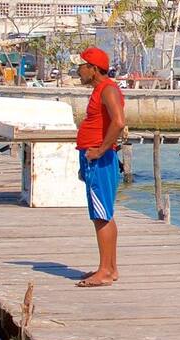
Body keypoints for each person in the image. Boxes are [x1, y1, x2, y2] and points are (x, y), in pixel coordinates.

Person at [74, 47, 127, 287]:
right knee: (103, 213)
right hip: (93, 159)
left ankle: (106, 271)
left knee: (101, 214)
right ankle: (109, 267)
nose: (78, 70)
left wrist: (100, 150)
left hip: (100, 159)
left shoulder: (108, 89)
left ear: (93, 69)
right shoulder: (99, 89)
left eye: (82, 66)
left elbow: (118, 122)